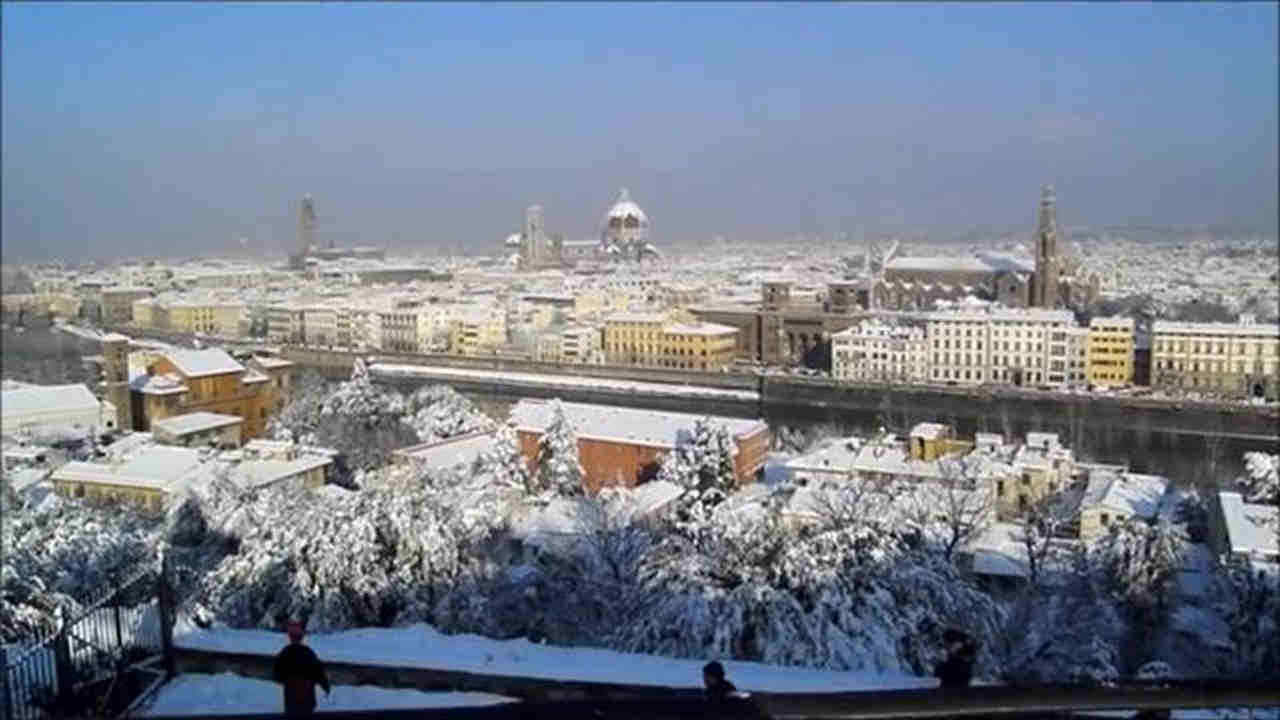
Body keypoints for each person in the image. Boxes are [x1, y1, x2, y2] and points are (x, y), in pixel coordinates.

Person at [273, 619, 331, 717]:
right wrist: (325, 685)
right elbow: (319, 671)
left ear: (290, 637)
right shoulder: (308, 653)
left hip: (291, 698)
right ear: (302, 637)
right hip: (307, 698)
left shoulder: (285, 653)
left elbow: (277, 674)